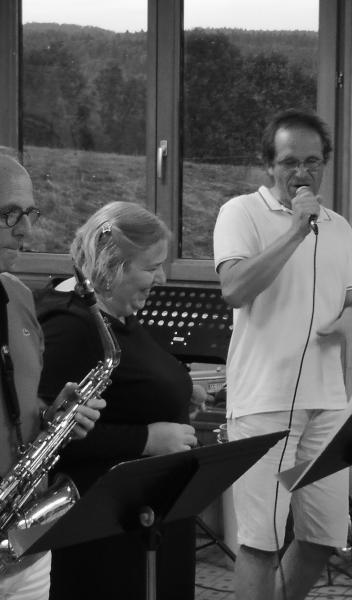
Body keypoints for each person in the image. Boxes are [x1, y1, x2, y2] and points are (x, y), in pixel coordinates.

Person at [213, 108, 352, 600]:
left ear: (324, 164)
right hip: (264, 403)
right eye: (290, 161)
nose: (302, 172)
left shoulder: (339, 227)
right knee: (260, 543)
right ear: (269, 164)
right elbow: (234, 290)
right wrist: (294, 230)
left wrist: (351, 324)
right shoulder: (240, 213)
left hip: (327, 403)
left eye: (313, 161)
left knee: (325, 536)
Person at [34, 201, 198, 600]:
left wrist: (178, 391)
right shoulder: (70, 326)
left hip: (144, 518)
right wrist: (147, 439)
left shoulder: (114, 309)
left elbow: (130, 382)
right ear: (112, 266)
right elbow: (47, 440)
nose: (161, 277)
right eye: (152, 266)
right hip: (104, 535)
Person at [0, 151, 105, 600]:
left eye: (30, 212)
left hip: (25, 539)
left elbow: (17, 405)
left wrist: (51, 416)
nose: (26, 229)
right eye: (9, 214)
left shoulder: (18, 296)